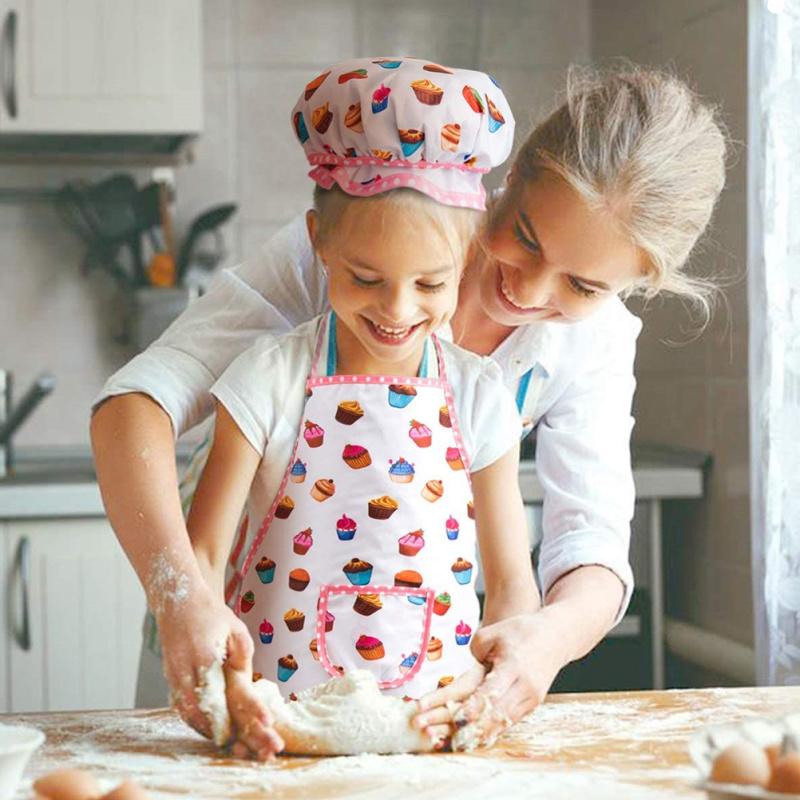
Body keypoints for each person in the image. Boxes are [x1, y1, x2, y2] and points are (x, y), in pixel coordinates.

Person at [91, 62, 727, 755]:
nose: (526, 290)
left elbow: (590, 540)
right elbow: (139, 402)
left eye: (582, 285)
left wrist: (543, 643)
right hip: (236, 653)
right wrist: (184, 597)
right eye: (525, 236)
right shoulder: (364, 229)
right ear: (511, 177)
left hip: (421, 681)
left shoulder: (590, 344)